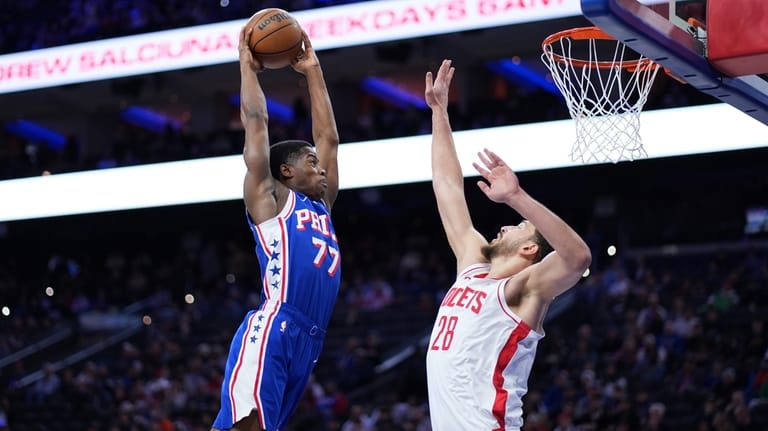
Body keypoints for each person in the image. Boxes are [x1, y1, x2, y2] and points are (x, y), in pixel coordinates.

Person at [423, 59, 592, 430]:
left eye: (518, 227)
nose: (504, 225)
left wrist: (517, 197)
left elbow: (578, 257)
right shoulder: (472, 267)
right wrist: (439, 113)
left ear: (530, 250)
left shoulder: (522, 290)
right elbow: (447, 187)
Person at [212, 25, 341, 431]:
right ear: (286, 170)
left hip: (310, 342)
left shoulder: (321, 205)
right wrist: (248, 69)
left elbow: (330, 139)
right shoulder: (271, 199)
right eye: (309, 161)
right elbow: (256, 122)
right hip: (275, 326)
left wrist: (313, 71)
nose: (320, 166)